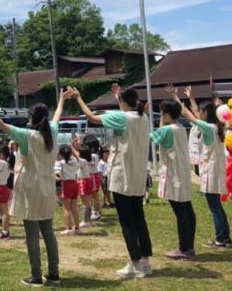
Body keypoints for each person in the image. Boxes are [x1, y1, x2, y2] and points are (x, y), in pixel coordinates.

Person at [0, 94, 63, 287]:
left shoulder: (26, 135)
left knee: (31, 233)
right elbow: (56, 117)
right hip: (48, 186)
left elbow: (1, 124)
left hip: (30, 187)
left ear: (31, 118)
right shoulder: (52, 132)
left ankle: (36, 275)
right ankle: (54, 273)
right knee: (48, 232)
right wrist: (62, 100)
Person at [75, 83, 153, 278]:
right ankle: (145, 262)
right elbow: (126, 113)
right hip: (137, 176)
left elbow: (93, 117)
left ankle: (134, 263)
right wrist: (119, 97)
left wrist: (78, 98)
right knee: (139, 219)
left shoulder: (122, 118)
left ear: (123, 102)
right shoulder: (144, 118)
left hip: (122, 175)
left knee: (127, 222)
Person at [181, 88, 231, 249]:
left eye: (202, 111)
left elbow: (190, 116)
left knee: (214, 208)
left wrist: (177, 100)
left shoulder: (209, 128)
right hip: (217, 170)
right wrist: (191, 98)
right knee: (218, 206)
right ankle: (225, 237)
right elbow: (195, 114)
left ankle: (219, 239)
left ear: (206, 113)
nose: (199, 113)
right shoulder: (217, 127)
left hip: (210, 171)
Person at [152, 93, 196, 260]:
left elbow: (153, 139)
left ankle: (184, 248)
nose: (161, 116)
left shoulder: (167, 130)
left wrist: (162, 122)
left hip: (173, 175)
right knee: (187, 211)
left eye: (163, 113)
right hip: (183, 174)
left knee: (181, 214)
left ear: (168, 114)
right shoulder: (181, 129)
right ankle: (189, 247)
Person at [55, 144, 80, 235]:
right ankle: (77, 228)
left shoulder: (60, 163)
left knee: (66, 207)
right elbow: (78, 164)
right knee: (74, 207)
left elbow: (57, 175)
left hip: (66, 184)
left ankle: (69, 228)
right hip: (75, 183)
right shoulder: (74, 160)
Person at [0, 145, 12, 240]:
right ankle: (5, 230)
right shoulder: (6, 163)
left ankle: (5, 231)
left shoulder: (2, 162)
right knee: (4, 212)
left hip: (0, 188)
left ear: (2, 154)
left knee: (4, 212)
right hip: (2, 188)